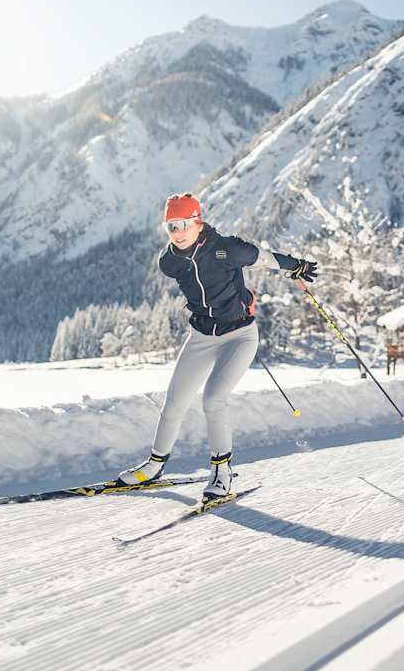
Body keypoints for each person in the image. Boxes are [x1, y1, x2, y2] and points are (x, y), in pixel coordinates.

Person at [117, 193, 319, 501]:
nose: (178, 232)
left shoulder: (227, 248)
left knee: (213, 399)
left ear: (198, 221)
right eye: (171, 226)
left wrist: (298, 266)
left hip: (239, 337)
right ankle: (154, 466)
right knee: (174, 402)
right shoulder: (169, 262)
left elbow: (265, 258)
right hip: (201, 337)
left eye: (184, 224)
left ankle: (222, 472)